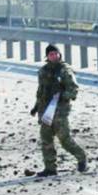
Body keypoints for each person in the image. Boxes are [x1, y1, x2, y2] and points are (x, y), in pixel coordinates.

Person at [30, 44, 87, 177]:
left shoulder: (64, 70)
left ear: (59, 55)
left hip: (60, 111)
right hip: (45, 111)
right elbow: (41, 92)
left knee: (65, 140)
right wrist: (36, 106)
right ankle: (50, 168)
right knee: (46, 139)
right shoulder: (43, 71)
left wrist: (62, 96)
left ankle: (81, 157)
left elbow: (73, 90)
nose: (54, 56)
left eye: (56, 54)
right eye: (51, 54)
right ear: (47, 56)